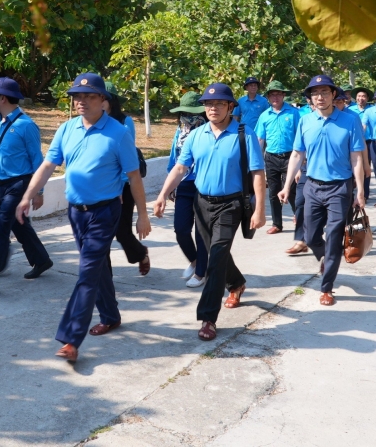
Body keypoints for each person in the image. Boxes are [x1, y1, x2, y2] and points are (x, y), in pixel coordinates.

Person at [17, 73, 149, 363]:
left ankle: (71, 339)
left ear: (104, 101)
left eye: (89, 96)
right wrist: (28, 195)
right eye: (77, 96)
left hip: (105, 211)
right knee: (97, 267)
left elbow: (134, 177)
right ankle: (111, 315)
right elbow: (49, 164)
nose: (81, 101)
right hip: (76, 212)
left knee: (86, 273)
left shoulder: (118, 133)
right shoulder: (67, 129)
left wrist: (142, 215)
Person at [155, 83, 266, 341]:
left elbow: (257, 173)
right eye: (208, 104)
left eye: (218, 104)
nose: (212, 108)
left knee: (215, 257)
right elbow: (181, 168)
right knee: (218, 253)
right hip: (202, 203)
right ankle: (237, 283)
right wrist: (162, 195)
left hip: (231, 205)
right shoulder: (196, 135)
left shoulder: (243, 133)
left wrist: (259, 209)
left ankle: (208, 318)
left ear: (230, 106)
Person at [279, 75, 366, 307]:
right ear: (310, 98)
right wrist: (287, 186)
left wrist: (360, 190)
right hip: (312, 186)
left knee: (335, 234)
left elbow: (356, 157)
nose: (320, 97)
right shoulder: (305, 121)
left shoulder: (350, 121)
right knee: (310, 236)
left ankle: (327, 287)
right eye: (315, 93)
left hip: (340, 187)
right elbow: (297, 154)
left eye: (325, 92)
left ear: (333, 95)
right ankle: (328, 259)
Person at [0, 78, 54, 301]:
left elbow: (38, 161)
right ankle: (41, 259)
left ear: (2, 98)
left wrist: (39, 191)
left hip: (18, 185)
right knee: (19, 224)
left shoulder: (26, 126)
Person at [103, 83, 150, 276]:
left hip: (124, 186)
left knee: (122, 232)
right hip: (101, 186)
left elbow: (127, 158)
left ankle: (141, 254)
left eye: (102, 98)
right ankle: (103, 278)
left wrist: (120, 187)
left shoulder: (124, 122)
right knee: (101, 236)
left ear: (110, 101)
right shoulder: (89, 123)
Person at [166, 91, 209, 288]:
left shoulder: (208, 131)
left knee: (201, 232)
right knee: (181, 229)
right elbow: (174, 159)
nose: (190, 118)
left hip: (204, 186)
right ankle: (195, 261)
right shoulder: (180, 130)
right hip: (183, 184)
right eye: (185, 113)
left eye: (194, 114)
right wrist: (169, 185)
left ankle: (201, 273)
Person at [254, 81, 301, 243]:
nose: (275, 97)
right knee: (274, 192)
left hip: (291, 157)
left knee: (293, 191)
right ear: (268, 97)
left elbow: (300, 138)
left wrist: (301, 164)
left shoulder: (294, 113)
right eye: (272, 94)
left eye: (278, 94)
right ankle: (277, 223)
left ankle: (299, 217)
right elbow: (260, 139)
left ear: (283, 95)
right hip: (271, 158)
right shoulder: (264, 116)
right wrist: (256, 161)